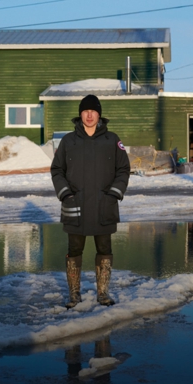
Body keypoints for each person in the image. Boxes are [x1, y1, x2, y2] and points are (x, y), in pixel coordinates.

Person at [50, 94, 130, 309]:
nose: (89, 115)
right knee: (74, 248)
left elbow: (123, 169)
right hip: (74, 203)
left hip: (105, 204)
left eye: (93, 111)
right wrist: (65, 194)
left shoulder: (112, 140)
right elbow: (57, 170)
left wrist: (114, 193)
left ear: (99, 114)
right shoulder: (69, 141)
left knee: (104, 247)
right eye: (85, 111)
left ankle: (103, 293)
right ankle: (74, 295)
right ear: (80, 114)